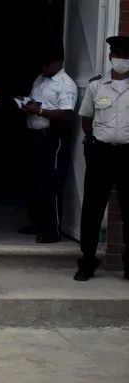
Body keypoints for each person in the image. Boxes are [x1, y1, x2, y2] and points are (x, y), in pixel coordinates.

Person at [74, 36, 129, 282]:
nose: (122, 61)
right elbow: (86, 119)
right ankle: (87, 262)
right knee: (92, 210)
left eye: (126, 57)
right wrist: (97, 140)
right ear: (110, 57)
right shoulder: (97, 86)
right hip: (101, 153)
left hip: (128, 154)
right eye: (118, 55)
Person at [17, 46, 77, 243]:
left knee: (51, 183)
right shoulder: (41, 78)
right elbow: (38, 102)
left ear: (57, 62)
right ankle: (37, 222)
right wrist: (25, 102)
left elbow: (66, 114)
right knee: (36, 181)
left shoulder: (65, 84)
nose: (43, 68)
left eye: (46, 65)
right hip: (35, 135)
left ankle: (52, 229)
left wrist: (39, 112)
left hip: (52, 136)